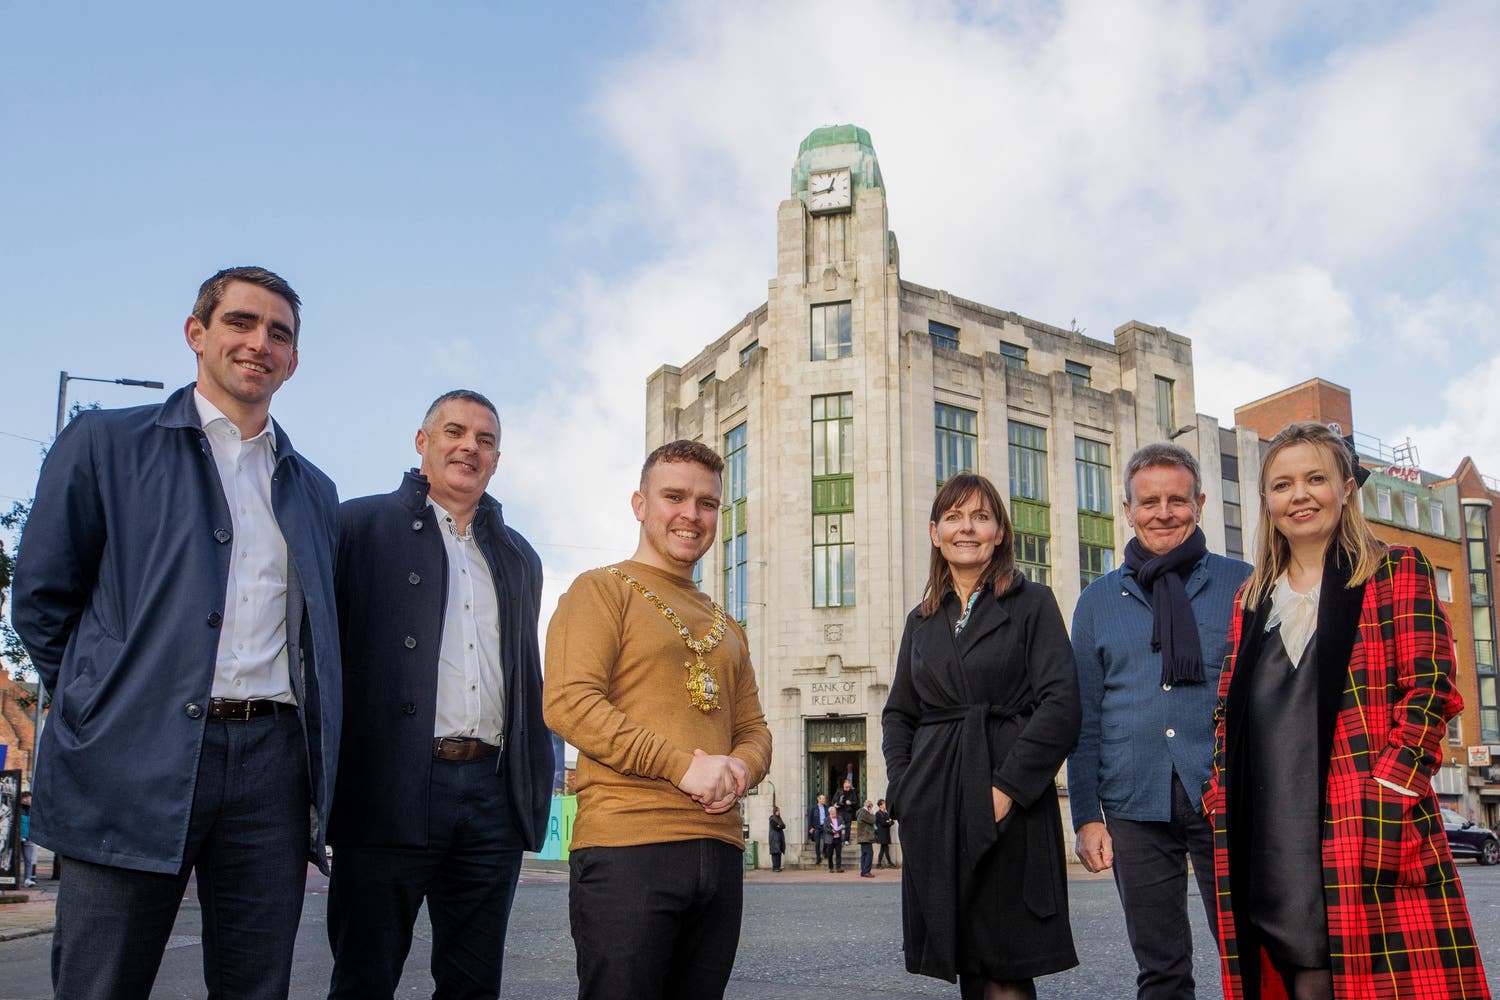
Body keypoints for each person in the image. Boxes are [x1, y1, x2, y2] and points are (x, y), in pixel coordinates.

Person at [11, 266, 341, 1000]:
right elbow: (41, 599)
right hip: (130, 758)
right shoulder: (105, 443)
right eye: (240, 323)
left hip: (272, 768)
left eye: (279, 334)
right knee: (102, 982)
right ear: (197, 334)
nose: (259, 343)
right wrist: (103, 707)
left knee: (256, 986)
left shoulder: (314, 489)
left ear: (293, 360)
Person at [1202, 422, 1491, 1000]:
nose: (1299, 495)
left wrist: (1387, 789)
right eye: (1282, 484)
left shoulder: (1397, 569)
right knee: (1294, 966)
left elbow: (1431, 690)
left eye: (1315, 478)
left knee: (1369, 979)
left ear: (1346, 488)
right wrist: (1219, 792)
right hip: (1269, 826)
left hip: (1361, 821)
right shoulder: (1252, 597)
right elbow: (1225, 714)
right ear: (1267, 501)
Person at [325, 390, 554, 999]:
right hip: (387, 787)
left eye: (484, 440)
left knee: (473, 984)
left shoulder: (517, 555)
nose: (468, 447)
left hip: (489, 797)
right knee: (363, 978)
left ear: (496, 460)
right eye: (454, 431)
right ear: (422, 443)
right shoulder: (357, 526)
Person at [544, 439, 772, 1000]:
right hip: (627, 845)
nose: (691, 515)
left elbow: (755, 729)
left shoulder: (727, 624)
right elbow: (569, 701)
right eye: (674, 496)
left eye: (708, 503)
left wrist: (741, 770)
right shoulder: (600, 590)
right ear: (640, 504)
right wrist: (680, 767)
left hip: (719, 851)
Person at [883, 472, 1080, 999]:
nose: (966, 528)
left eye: (980, 517)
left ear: (999, 533)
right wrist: (906, 790)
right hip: (935, 802)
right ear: (934, 532)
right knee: (966, 955)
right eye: (953, 517)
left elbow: (1061, 705)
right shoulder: (920, 622)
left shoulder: (1032, 603)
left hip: (1007, 796)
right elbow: (898, 713)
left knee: (1004, 965)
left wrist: (1007, 790)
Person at [1067, 442, 1249, 1000]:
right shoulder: (1097, 601)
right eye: (1149, 502)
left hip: (1224, 797)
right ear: (1128, 509)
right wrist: (1085, 816)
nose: (1163, 512)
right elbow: (1084, 717)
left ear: (1198, 503)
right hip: (1133, 804)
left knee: (1251, 954)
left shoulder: (1242, 584)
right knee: (1161, 969)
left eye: (1176, 499)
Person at [855, 799, 877, 877]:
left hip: (863, 837)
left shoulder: (861, 812)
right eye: (871, 807)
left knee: (864, 854)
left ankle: (863, 871)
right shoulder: (864, 813)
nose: (871, 808)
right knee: (869, 854)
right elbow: (873, 820)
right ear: (869, 806)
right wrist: (872, 813)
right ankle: (866, 871)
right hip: (865, 837)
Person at [807, 793, 830, 864]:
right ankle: (818, 857)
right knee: (817, 843)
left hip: (824, 826)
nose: (824, 800)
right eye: (822, 799)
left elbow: (829, 817)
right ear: (818, 799)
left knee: (826, 840)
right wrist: (810, 827)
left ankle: (824, 852)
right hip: (816, 827)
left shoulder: (826, 808)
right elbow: (810, 818)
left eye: (824, 799)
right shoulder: (813, 808)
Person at [19, 790, 35, 887]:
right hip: (18, 837)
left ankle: (27, 879)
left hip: (29, 838)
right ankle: (14, 877)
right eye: (29, 798)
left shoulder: (32, 810)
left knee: (28, 859)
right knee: (15, 859)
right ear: (24, 798)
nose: (31, 800)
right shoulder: (17, 808)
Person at [875, 798, 895, 868]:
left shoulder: (886, 813)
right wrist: (888, 821)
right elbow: (883, 823)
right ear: (880, 805)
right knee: (884, 848)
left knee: (884, 848)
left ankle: (882, 863)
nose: (885, 805)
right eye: (884, 804)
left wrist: (888, 821)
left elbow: (892, 822)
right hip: (882, 833)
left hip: (886, 833)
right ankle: (885, 863)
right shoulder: (878, 813)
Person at [825, 808, 845, 872]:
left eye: (835, 813)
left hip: (838, 838)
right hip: (830, 839)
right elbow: (825, 828)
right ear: (830, 813)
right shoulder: (827, 819)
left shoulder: (839, 818)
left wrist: (841, 827)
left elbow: (843, 824)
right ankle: (831, 868)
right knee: (830, 854)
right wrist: (831, 831)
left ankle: (838, 868)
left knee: (838, 854)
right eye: (832, 814)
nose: (834, 815)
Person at [769, 806, 787, 872]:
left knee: (779, 852)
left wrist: (780, 826)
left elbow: (783, 826)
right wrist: (780, 826)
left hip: (779, 837)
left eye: (779, 811)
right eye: (778, 811)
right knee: (775, 853)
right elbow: (775, 827)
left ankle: (778, 867)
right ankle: (775, 867)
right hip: (774, 838)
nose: (779, 812)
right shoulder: (772, 819)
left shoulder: (779, 818)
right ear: (775, 811)